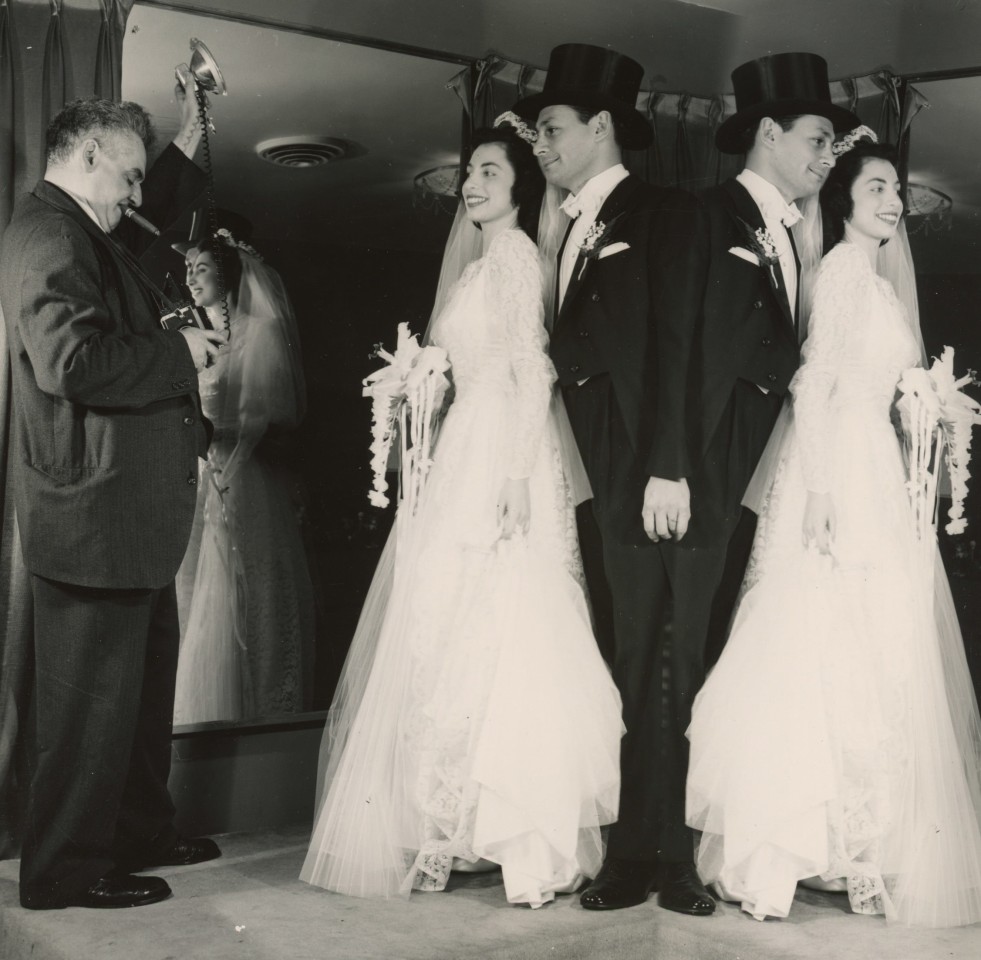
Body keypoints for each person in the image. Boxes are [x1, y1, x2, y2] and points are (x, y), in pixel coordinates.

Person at [514, 46, 858, 916]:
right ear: (769, 134)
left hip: (717, 477)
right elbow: (672, 346)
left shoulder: (766, 226)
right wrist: (664, 467)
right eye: (818, 139)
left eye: (830, 144)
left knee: (681, 658)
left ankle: (671, 853)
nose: (829, 158)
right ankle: (643, 856)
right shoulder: (701, 214)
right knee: (649, 656)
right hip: (657, 474)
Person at [300, 117, 623, 908]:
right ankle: (461, 820)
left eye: (488, 172)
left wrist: (514, 472)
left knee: (499, 618)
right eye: (469, 172)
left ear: (519, 186)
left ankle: (506, 825)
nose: (471, 185)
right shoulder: (479, 265)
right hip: (464, 448)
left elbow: (530, 370)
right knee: (450, 622)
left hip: (501, 452)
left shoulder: (512, 257)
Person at [686, 136, 981, 926]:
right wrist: (816, 486)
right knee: (821, 635)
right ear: (844, 197)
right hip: (836, 473)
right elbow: (813, 383)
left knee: (872, 643)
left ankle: (851, 842)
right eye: (875, 187)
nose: (892, 201)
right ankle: (803, 842)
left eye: (895, 189)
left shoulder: (874, 285)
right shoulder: (845, 273)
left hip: (873, 471)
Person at [0, 90, 226, 909]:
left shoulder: (84, 229)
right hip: (94, 516)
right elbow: (72, 363)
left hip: (124, 515)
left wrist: (184, 141)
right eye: (128, 175)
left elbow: (149, 213)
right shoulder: (52, 234)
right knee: (89, 711)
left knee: (134, 699)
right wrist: (181, 351)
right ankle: (65, 870)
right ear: (88, 153)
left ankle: (136, 834)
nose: (136, 195)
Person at [173, 232, 315, 724]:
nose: (191, 278)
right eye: (188, 269)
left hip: (243, 472)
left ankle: (256, 711)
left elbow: (269, 413)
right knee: (192, 591)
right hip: (196, 476)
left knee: (248, 590)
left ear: (228, 274)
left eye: (202, 268)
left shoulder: (261, 331)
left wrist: (214, 434)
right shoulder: (188, 339)